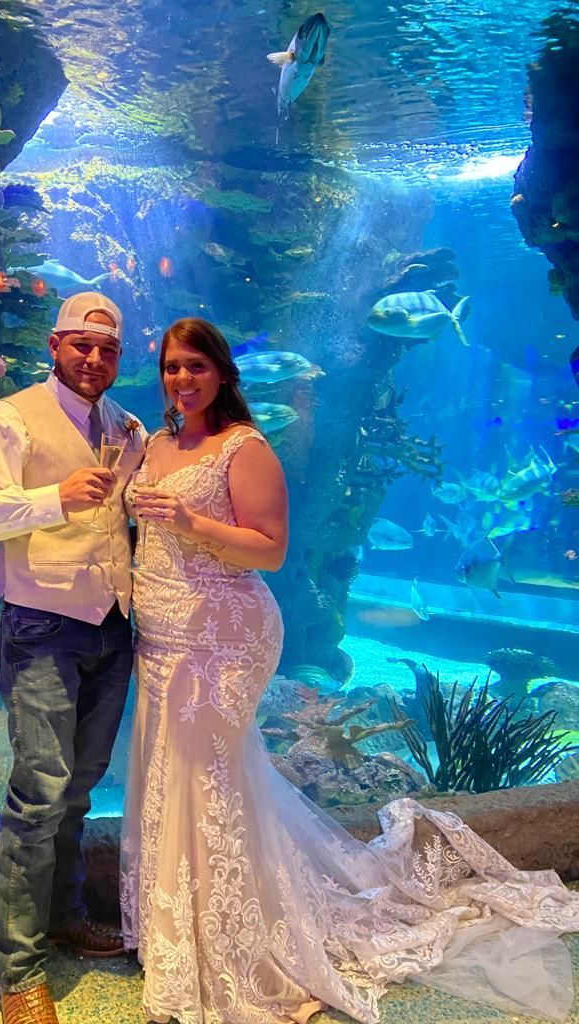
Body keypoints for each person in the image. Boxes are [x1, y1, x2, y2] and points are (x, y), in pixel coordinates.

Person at [121, 316, 579, 1024]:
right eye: (172, 366)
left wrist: (191, 522)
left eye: (197, 366)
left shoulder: (243, 446)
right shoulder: (154, 443)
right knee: (169, 776)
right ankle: (178, 927)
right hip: (159, 638)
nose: (183, 378)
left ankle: (239, 942)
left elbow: (270, 549)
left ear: (222, 373)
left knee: (207, 781)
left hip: (223, 639)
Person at [0, 292, 146, 1024]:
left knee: (79, 789)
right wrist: (51, 498)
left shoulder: (127, 428)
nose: (94, 358)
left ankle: (64, 916)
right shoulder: (11, 419)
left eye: (108, 349)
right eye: (81, 345)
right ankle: (19, 969)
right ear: (54, 346)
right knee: (37, 794)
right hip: (40, 627)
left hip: (111, 628)